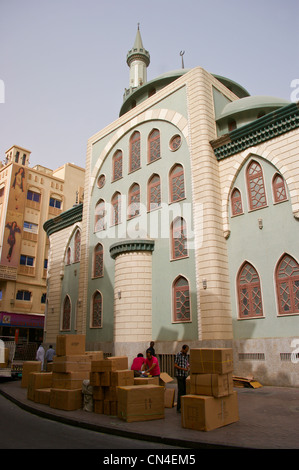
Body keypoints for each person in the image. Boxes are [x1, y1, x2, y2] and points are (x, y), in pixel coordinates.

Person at [174, 344, 189, 413]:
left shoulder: (186, 356)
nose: (186, 352)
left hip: (184, 375)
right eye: (185, 350)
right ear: (183, 349)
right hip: (179, 375)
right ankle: (179, 407)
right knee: (180, 390)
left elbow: (187, 363)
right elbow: (175, 365)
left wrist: (188, 367)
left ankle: (183, 405)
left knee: (185, 390)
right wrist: (183, 369)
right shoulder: (178, 355)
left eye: (187, 351)